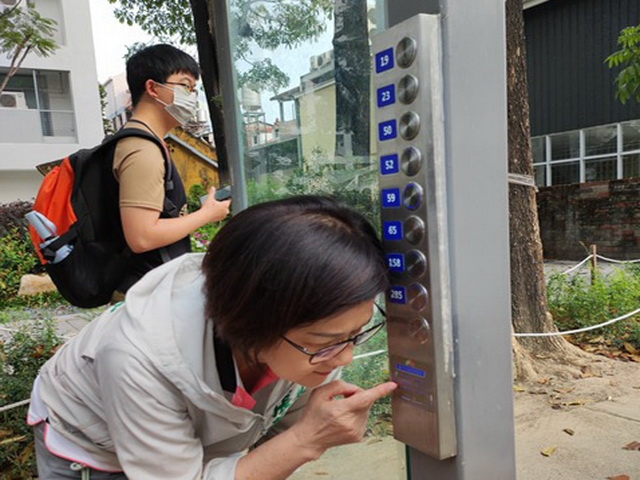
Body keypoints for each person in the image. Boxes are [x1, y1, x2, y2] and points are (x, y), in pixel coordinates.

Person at [28, 195, 397, 479]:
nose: (345, 358)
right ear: (253, 321)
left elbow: (275, 447)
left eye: (355, 334)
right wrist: (308, 439)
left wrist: (302, 434)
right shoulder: (138, 358)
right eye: (326, 341)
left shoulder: (302, 331)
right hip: (88, 437)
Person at [114, 44, 231, 296]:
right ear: (153, 88)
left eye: (194, 89)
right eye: (185, 86)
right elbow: (142, 236)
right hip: (145, 297)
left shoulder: (143, 141)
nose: (192, 96)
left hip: (149, 290)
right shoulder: (141, 149)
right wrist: (207, 214)